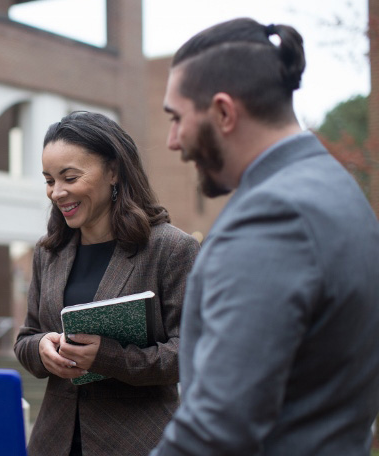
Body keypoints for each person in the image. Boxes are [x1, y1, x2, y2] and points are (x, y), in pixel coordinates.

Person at [153, 18, 379, 455]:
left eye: (177, 118)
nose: (172, 141)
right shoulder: (337, 187)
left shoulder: (272, 218)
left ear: (223, 112)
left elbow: (216, 429)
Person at [14, 111, 199, 456]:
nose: (57, 192)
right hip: (54, 441)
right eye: (50, 180)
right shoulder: (48, 252)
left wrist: (108, 357)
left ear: (113, 171)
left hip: (138, 442)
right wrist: (42, 349)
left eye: (69, 177)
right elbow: (25, 338)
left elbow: (191, 353)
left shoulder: (171, 248)